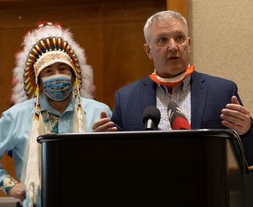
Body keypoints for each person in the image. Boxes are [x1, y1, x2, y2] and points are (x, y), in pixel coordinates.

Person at [0, 22, 117, 207]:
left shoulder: (99, 112)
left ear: (73, 75)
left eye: (63, 69)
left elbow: (115, 165)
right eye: (48, 71)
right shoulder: (18, 115)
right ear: (38, 80)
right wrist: (8, 185)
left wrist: (107, 145)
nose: (57, 75)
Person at [106, 10, 253, 165]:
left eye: (179, 38)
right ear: (148, 50)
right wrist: (100, 144)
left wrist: (247, 131)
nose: (173, 46)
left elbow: (246, 162)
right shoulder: (126, 99)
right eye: (162, 40)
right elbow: (114, 162)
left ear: (188, 44)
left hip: (205, 186)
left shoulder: (222, 91)